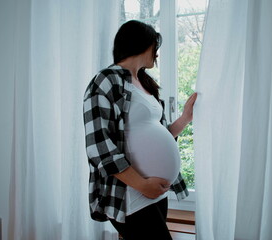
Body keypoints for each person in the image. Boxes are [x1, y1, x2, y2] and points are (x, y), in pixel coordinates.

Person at [83, 20, 197, 240]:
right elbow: (99, 146)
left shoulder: (144, 82)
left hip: (155, 192)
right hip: (130, 192)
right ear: (141, 44)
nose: (157, 53)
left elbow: (160, 133)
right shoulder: (106, 80)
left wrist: (185, 118)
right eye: (155, 46)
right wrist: (143, 185)